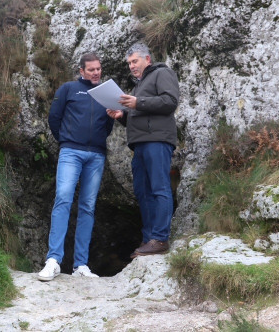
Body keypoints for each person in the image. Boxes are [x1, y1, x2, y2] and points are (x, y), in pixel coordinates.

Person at [37, 52, 114, 281]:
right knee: (63, 198)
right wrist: (67, 140)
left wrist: (96, 140)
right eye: (91, 69)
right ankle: (53, 260)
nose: (96, 73)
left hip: (97, 155)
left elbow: (109, 123)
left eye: (98, 69)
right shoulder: (69, 89)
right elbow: (54, 118)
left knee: (88, 206)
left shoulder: (107, 93)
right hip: (71, 152)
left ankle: (81, 265)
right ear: (81, 71)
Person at [107, 42, 180, 257]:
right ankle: (149, 239)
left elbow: (169, 102)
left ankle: (160, 239)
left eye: (134, 61)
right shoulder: (139, 85)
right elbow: (141, 114)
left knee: (159, 188)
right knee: (142, 191)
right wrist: (122, 116)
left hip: (157, 141)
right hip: (140, 143)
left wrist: (138, 102)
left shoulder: (162, 73)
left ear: (147, 59)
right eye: (129, 63)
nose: (131, 66)